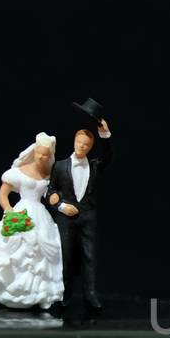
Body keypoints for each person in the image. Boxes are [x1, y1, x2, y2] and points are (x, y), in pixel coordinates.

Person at [0, 133, 64, 309]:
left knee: (42, 252)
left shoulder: (49, 175)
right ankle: (14, 289)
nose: (42, 157)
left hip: (40, 215)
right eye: (39, 153)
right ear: (34, 152)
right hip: (21, 212)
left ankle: (38, 292)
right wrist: (10, 212)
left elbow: (50, 197)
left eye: (46, 155)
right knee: (18, 250)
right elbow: (3, 195)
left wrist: (56, 198)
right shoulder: (19, 172)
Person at [47, 117, 110, 310]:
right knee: (65, 255)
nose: (81, 146)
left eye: (85, 144)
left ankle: (89, 294)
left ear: (90, 147)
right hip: (66, 217)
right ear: (74, 142)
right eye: (79, 142)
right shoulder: (59, 166)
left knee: (89, 256)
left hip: (88, 216)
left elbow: (109, 156)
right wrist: (61, 207)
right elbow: (50, 192)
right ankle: (64, 293)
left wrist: (104, 134)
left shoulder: (95, 165)